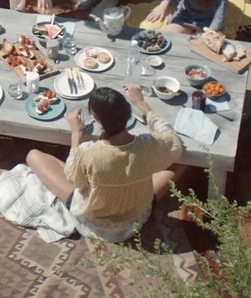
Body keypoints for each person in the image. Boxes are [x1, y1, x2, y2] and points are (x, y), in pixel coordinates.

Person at [25, 85, 185, 242]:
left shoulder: (87, 152)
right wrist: (141, 103)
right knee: (179, 165)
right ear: (128, 115)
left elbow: (73, 178)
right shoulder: (147, 145)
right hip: (135, 220)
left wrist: (76, 133)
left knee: (33, 155)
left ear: (97, 119)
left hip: (94, 224)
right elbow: (173, 141)